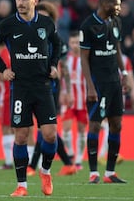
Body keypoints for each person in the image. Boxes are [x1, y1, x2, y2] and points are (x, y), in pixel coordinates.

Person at [0, 0, 61, 197]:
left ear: (35, 0)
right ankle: (22, 186)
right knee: (21, 136)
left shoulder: (46, 23)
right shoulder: (8, 24)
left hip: (42, 86)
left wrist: (54, 65)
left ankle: (45, 172)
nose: (20, 3)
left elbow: (58, 44)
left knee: (50, 135)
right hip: (20, 87)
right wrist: (2, 69)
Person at [79, 0, 128, 184]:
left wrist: (123, 73)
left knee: (117, 124)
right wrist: (90, 86)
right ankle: (93, 173)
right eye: (115, 4)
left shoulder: (116, 22)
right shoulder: (88, 25)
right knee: (96, 124)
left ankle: (110, 173)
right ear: (103, 4)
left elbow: (116, 48)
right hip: (98, 84)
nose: (118, 8)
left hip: (114, 83)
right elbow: (84, 58)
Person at [26, 1, 77, 177]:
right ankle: (67, 163)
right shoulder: (29, 37)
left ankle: (33, 166)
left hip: (51, 90)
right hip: (33, 87)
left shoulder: (57, 40)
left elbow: (64, 68)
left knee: (45, 129)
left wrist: (67, 90)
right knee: (45, 129)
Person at [60, 30, 88, 171]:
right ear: (69, 44)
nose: (75, 45)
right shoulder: (66, 60)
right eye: (73, 42)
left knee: (82, 130)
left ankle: (78, 160)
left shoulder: (87, 59)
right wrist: (62, 93)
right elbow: (61, 77)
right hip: (69, 99)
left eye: (78, 42)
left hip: (83, 99)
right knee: (66, 128)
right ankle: (70, 153)